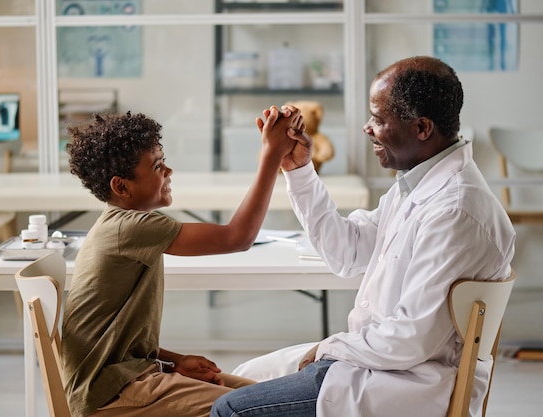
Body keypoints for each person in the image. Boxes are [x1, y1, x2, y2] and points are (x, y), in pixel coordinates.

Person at [211, 56, 516, 417]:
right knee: (229, 379)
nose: (367, 128)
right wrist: (300, 170)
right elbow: (347, 252)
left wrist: (330, 348)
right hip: (380, 364)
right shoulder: (420, 186)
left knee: (229, 409)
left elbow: (410, 339)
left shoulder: (454, 211)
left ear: (421, 127)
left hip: (408, 385)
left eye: (378, 119)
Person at [61, 108, 304, 417]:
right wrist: (272, 155)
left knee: (256, 394)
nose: (169, 171)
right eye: (158, 166)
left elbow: (111, 342)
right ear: (121, 187)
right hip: (110, 394)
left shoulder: (121, 225)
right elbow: (237, 237)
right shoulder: (131, 228)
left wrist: (174, 361)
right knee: (257, 407)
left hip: (118, 381)